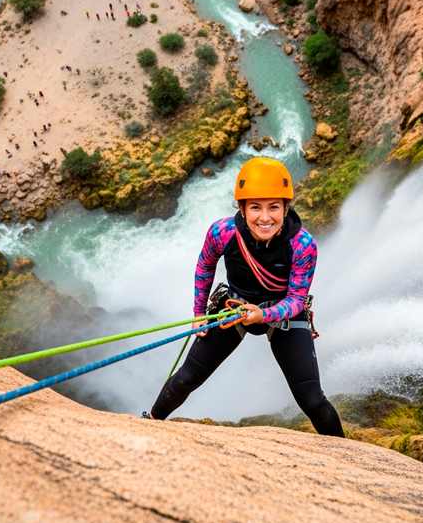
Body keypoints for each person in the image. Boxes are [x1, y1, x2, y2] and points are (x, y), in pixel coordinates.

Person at [143, 158, 343, 437]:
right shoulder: (223, 232)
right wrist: (199, 313)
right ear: (242, 208)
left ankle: (345, 454)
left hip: (283, 316)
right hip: (234, 308)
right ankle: (148, 423)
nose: (265, 217)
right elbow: (205, 266)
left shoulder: (302, 244)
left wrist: (264, 315)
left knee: (312, 400)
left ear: (287, 208)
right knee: (187, 378)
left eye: (274, 207)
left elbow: (297, 299)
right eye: (255, 207)